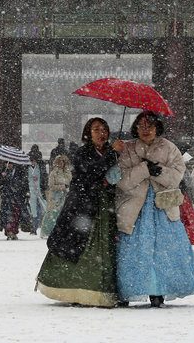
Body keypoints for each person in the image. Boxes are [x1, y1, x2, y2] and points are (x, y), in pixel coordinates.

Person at [113, 111, 194, 307]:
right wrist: (144, 169)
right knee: (133, 252)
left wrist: (159, 171)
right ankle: (130, 289)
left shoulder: (170, 148)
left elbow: (176, 176)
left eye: (149, 126)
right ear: (135, 128)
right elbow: (122, 180)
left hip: (163, 207)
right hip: (135, 209)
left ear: (157, 128)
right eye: (141, 126)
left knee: (164, 250)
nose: (146, 130)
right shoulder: (128, 149)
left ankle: (158, 289)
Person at [37, 118, 120, 307]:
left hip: (106, 207)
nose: (102, 133)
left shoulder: (111, 152)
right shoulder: (83, 153)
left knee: (103, 249)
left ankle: (102, 289)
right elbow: (91, 172)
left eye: (104, 129)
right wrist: (112, 155)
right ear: (88, 134)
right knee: (79, 246)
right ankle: (74, 289)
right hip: (83, 207)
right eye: (96, 129)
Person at [0, 160, 32, 240]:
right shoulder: (3, 171)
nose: (8, 165)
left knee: (16, 215)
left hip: (18, 196)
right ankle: (9, 232)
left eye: (10, 163)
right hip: (7, 197)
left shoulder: (20, 171)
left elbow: (24, 182)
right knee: (7, 215)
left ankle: (14, 231)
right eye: (6, 163)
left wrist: (26, 192)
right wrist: (2, 177)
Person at [40, 154, 72, 237]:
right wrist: (62, 187)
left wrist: (68, 188)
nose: (61, 164)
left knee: (63, 214)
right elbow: (51, 185)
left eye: (63, 162)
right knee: (52, 214)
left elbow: (70, 182)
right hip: (55, 196)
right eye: (60, 162)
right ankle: (47, 232)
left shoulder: (67, 172)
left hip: (65, 196)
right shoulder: (53, 173)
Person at [28, 145, 48, 233]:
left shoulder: (31, 166)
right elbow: (44, 176)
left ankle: (35, 226)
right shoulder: (41, 164)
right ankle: (35, 226)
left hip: (36, 189)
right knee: (37, 208)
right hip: (35, 189)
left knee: (36, 208)